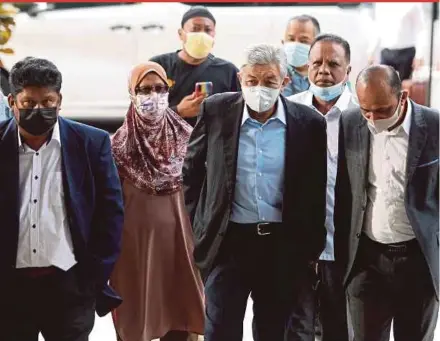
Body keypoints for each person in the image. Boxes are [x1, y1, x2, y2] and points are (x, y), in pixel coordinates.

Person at [183, 43, 327, 341]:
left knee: (272, 330)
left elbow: (316, 189)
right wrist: (199, 227)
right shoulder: (216, 110)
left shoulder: (309, 123)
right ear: (240, 78)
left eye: (269, 82)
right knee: (220, 328)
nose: (259, 88)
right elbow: (192, 172)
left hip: (281, 246)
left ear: (285, 82)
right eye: (252, 81)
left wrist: (308, 249)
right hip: (228, 243)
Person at [0, 57, 124, 341]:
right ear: (11, 101)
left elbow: (111, 213)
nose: (39, 110)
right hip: (8, 290)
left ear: (60, 100)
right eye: (29, 104)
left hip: (70, 285)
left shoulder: (91, 143)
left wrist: (94, 275)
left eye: (48, 102)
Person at [342, 65, 439, 341]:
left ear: (403, 97)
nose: (373, 119)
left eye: (383, 110)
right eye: (366, 110)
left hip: (418, 261)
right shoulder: (351, 123)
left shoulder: (434, 126)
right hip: (367, 261)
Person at [110, 61, 205, 341]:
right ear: (131, 93)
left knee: (181, 319)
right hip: (134, 250)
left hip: (182, 246)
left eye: (160, 88)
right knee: (135, 319)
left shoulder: (190, 139)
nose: (153, 95)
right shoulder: (117, 146)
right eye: (145, 89)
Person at [288, 33, 357, 341]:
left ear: (349, 70)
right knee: (296, 329)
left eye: (333, 64)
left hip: (345, 245)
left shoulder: (362, 114)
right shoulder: (287, 111)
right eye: (316, 63)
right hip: (295, 246)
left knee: (339, 327)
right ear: (307, 67)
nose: (324, 71)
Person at [150, 6, 240, 127]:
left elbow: (239, 115)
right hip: (168, 143)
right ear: (181, 34)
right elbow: (141, 117)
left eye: (208, 30)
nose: (201, 35)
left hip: (210, 144)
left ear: (214, 35)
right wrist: (178, 111)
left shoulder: (228, 71)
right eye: (195, 29)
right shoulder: (158, 67)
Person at [367, 3, 428, 81]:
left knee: (404, 87)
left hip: (406, 53)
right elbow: (377, 27)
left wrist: (420, 54)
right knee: (384, 85)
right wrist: (371, 50)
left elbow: (420, 29)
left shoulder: (414, 4)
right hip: (386, 52)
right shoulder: (381, 4)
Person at [282, 15, 320, 97]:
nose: (296, 45)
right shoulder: (277, 74)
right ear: (283, 42)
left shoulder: (328, 74)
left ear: (317, 45)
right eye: (291, 39)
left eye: (303, 41)